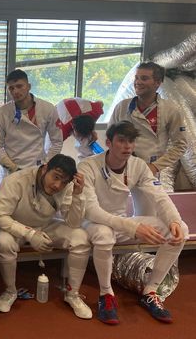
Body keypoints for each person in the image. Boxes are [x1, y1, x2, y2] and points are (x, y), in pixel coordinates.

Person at [78, 121, 189, 325]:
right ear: (108, 142)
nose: (127, 146)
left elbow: (160, 196)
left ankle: (151, 290)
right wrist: (132, 227)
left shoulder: (138, 166)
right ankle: (106, 295)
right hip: (91, 224)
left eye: (131, 141)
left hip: (120, 223)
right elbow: (91, 211)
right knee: (104, 234)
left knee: (180, 229)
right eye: (121, 141)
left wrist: (173, 220)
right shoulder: (88, 166)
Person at [0, 154, 92, 319]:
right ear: (45, 168)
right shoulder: (16, 181)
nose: (58, 185)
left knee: (80, 237)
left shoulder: (67, 187)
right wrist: (30, 234)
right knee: (3, 242)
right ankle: (10, 291)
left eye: (64, 181)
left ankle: (73, 294)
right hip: (14, 225)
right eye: (55, 177)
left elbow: (73, 223)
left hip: (45, 225)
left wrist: (78, 195)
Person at [109, 62, 187, 214]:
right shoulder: (122, 107)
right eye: (136, 78)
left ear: (157, 83)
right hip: (120, 169)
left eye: (144, 78)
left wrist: (155, 167)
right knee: (113, 212)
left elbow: (180, 145)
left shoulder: (170, 110)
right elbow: (111, 138)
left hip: (149, 171)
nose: (138, 82)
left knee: (147, 214)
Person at [0, 69, 62, 183]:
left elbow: (57, 141)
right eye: (11, 88)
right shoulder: (1, 114)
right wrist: (13, 168)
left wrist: (46, 164)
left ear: (29, 86)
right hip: (10, 171)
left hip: (38, 169)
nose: (15, 91)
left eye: (19, 86)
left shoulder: (48, 108)